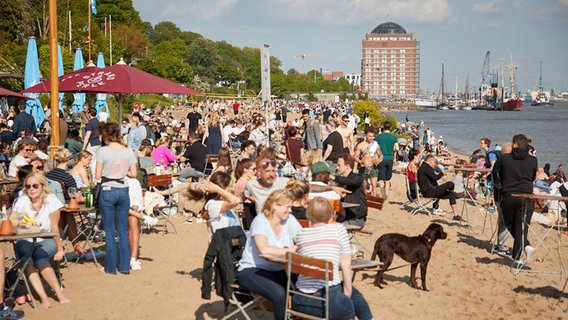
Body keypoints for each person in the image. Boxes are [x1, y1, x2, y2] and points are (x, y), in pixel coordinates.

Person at [293, 197, 374, 320]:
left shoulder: (300, 235)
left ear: (308, 214)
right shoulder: (338, 230)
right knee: (352, 295)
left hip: (301, 301)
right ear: (330, 214)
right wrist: (347, 295)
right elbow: (346, 266)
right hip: (329, 301)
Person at [237, 189, 302, 320]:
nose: (290, 210)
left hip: (280, 268)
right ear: (274, 205)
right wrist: (290, 249)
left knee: (306, 285)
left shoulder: (290, 220)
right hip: (253, 269)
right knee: (279, 294)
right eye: (287, 207)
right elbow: (264, 250)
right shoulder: (260, 221)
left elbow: (302, 241)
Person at [9, 172, 70, 308]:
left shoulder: (51, 200)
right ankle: (43, 297)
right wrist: (24, 224)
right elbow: (12, 219)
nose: (31, 189)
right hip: (25, 238)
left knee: (39, 256)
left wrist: (60, 249)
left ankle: (59, 295)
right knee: (27, 257)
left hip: (47, 238)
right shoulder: (23, 199)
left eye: (35, 186)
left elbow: (54, 227)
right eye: (28, 186)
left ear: (42, 186)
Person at [95, 122, 138, 274]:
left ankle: (111, 267)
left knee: (110, 230)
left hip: (108, 188)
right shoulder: (128, 151)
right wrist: (122, 171)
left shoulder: (103, 151)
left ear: (106, 135)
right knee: (122, 230)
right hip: (123, 188)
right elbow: (134, 173)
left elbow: (97, 175)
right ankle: (125, 266)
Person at [499, 134, 538, 264]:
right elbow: (533, 177)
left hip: (509, 195)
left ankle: (517, 257)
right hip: (526, 195)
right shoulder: (533, 160)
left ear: (514, 144)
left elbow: (501, 174)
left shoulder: (505, 159)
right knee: (520, 227)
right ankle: (525, 246)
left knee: (512, 224)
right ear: (527, 146)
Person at [126, 177, 158, 271]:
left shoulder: (132, 182)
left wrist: (133, 210)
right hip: (113, 212)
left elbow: (137, 203)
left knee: (133, 219)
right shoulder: (110, 179)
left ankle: (133, 258)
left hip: (128, 212)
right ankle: (144, 218)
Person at [244, 150, 289, 216]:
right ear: (259, 172)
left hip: (282, 220)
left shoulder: (284, 182)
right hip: (263, 221)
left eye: (273, 171)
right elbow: (243, 197)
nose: (271, 174)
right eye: (267, 171)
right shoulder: (251, 184)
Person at [417, 155, 462, 220]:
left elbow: (433, 178)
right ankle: (452, 192)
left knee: (451, 195)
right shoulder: (426, 168)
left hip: (431, 190)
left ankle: (456, 215)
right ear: (431, 160)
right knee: (450, 183)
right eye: (435, 162)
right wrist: (442, 173)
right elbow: (436, 177)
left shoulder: (424, 167)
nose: (435, 164)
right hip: (429, 192)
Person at [330, 154, 367, 228]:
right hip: (343, 217)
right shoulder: (342, 181)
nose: (337, 168)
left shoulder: (358, 177)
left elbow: (351, 181)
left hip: (355, 219)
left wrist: (334, 178)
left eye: (339, 165)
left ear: (347, 166)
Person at [491, 143, 513, 256]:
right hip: (502, 196)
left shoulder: (499, 162)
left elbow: (493, 178)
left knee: (502, 221)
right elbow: (499, 181)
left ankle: (501, 245)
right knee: (505, 221)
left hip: (498, 196)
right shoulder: (504, 163)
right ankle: (502, 246)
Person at [354, 127, 383, 197]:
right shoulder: (361, 145)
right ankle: (364, 199)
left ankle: (373, 199)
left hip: (373, 166)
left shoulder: (376, 144)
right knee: (363, 185)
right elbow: (355, 157)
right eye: (370, 136)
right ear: (366, 135)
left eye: (373, 136)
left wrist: (379, 160)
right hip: (364, 167)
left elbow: (380, 155)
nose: (371, 138)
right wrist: (361, 162)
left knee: (374, 185)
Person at [375, 121, 399, 199]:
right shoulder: (393, 137)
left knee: (381, 178)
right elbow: (397, 148)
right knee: (387, 178)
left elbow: (375, 146)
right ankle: (387, 193)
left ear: (383, 127)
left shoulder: (379, 136)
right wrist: (392, 151)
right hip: (390, 158)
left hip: (381, 158)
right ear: (391, 128)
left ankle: (383, 194)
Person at [234, 158, 257, 229]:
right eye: (253, 169)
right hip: (248, 209)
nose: (255, 171)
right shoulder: (242, 183)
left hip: (250, 208)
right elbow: (255, 198)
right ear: (245, 170)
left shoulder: (246, 181)